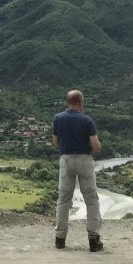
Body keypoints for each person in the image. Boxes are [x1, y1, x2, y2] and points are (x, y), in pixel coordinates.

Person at [52, 89, 103, 251]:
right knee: (91, 199)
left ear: (68, 102)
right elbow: (95, 145)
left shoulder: (58, 118)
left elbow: (56, 142)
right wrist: (96, 148)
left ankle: (60, 239)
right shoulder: (87, 120)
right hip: (84, 160)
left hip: (66, 159)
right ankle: (93, 240)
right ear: (81, 102)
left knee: (63, 199)